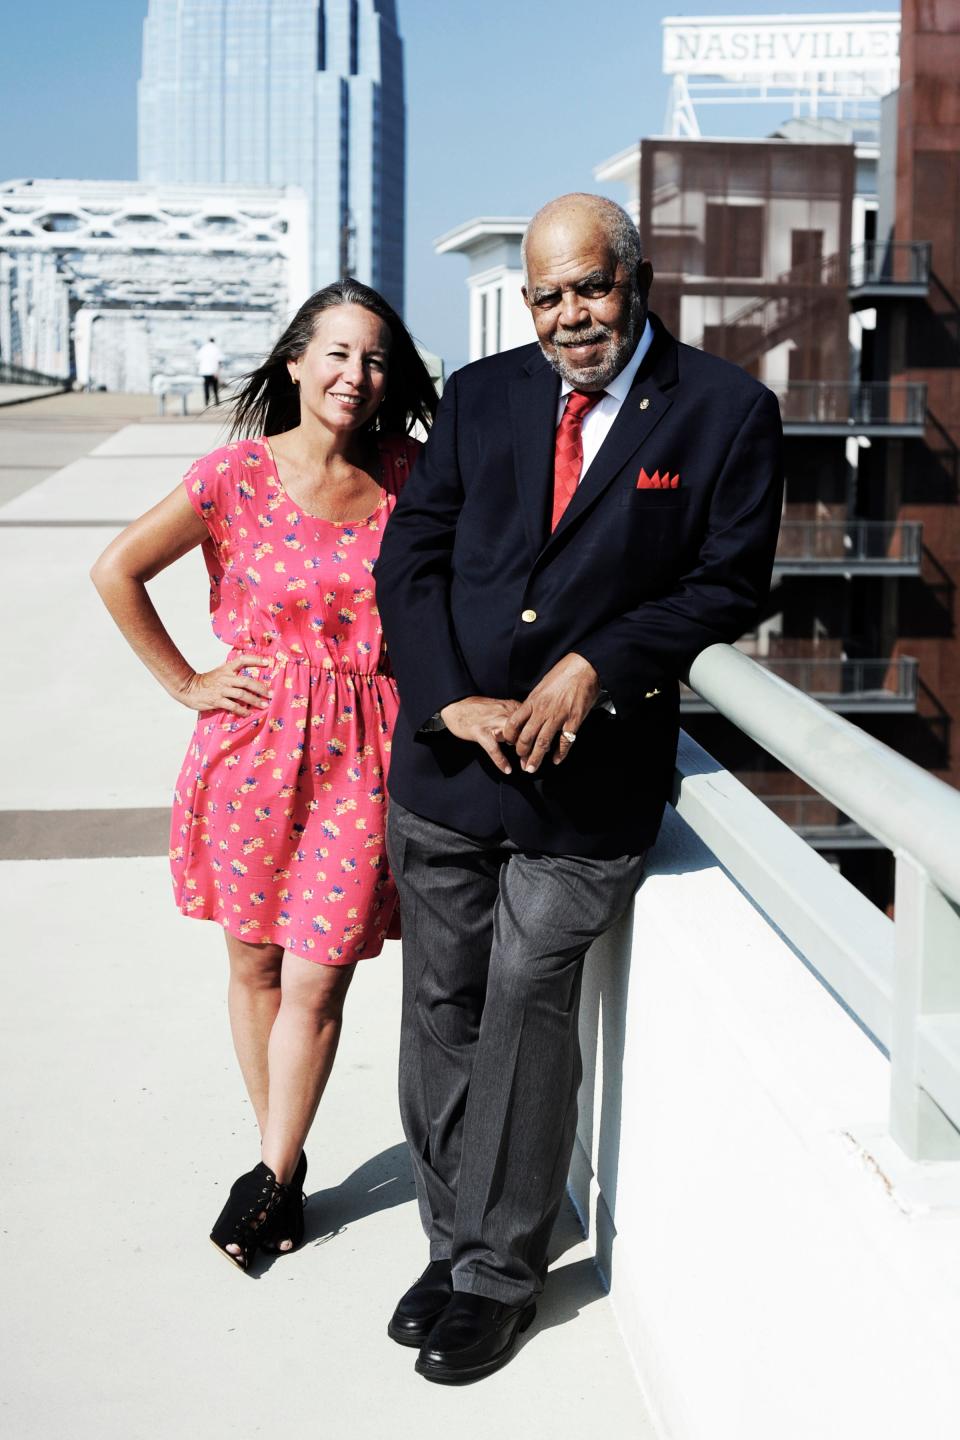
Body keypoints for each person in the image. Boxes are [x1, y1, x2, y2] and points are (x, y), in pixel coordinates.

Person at [374, 193, 784, 1384]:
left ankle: (502, 1272)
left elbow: (725, 586)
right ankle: (452, 1245)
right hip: (450, 764)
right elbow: (418, 555)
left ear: (637, 277)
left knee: (527, 992)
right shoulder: (483, 395)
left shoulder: (725, 412)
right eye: (547, 294)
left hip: (590, 779)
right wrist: (447, 695)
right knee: (441, 1001)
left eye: (589, 288)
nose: (568, 316)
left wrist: (600, 666)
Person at [91, 279, 437, 1271]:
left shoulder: (414, 472)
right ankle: (276, 1169)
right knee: (254, 964)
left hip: (367, 754)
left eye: (374, 359)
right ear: (295, 362)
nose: (354, 374)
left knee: (320, 976)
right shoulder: (233, 477)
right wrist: (186, 681)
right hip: (251, 752)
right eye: (335, 353)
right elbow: (117, 569)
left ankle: (272, 1177)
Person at [197, 336, 223, 407]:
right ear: (214, 341)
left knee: (206, 387)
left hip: (204, 371)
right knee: (215, 388)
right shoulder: (216, 348)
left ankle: (206, 401)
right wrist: (217, 371)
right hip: (213, 371)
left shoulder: (203, 348)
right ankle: (217, 401)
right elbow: (219, 361)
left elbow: (199, 359)